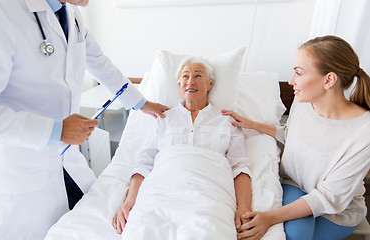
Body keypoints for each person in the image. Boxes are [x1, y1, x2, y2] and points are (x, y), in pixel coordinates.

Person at [0, 0, 168, 239]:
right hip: (22, 169)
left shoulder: (70, 13)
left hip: (66, 162)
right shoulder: (3, 11)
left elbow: (99, 63)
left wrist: (141, 103)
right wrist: (56, 130)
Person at [223, 35, 370, 240]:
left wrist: (269, 218)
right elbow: (293, 136)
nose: (291, 80)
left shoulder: (364, 133)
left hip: (335, 213)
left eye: (298, 73)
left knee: (295, 236)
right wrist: (253, 124)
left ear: (329, 79)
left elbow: (329, 197)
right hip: (294, 185)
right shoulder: (304, 101)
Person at [112, 58, 252, 238]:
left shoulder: (227, 121)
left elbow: (240, 168)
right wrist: (130, 200)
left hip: (209, 195)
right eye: (185, 76)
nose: (190, 81)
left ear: (210, 84)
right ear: (179, 84)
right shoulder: (163, 119)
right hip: (160, 193)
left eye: (197, 75)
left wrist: (244, 208)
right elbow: (144, 163)